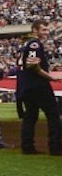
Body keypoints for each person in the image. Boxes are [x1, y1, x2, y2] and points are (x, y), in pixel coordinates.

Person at [17, 20, 62, 155]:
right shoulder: (35, 44)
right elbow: (33, 66)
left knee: (30, 116)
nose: (46, 33)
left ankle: (27, 146)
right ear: (35, 30)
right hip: (37, 85)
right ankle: (55, 147)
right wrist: (50, 77)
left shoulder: (25, 43)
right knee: (53, 114)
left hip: (26, 85)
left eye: (47, 30)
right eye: (43, 30)